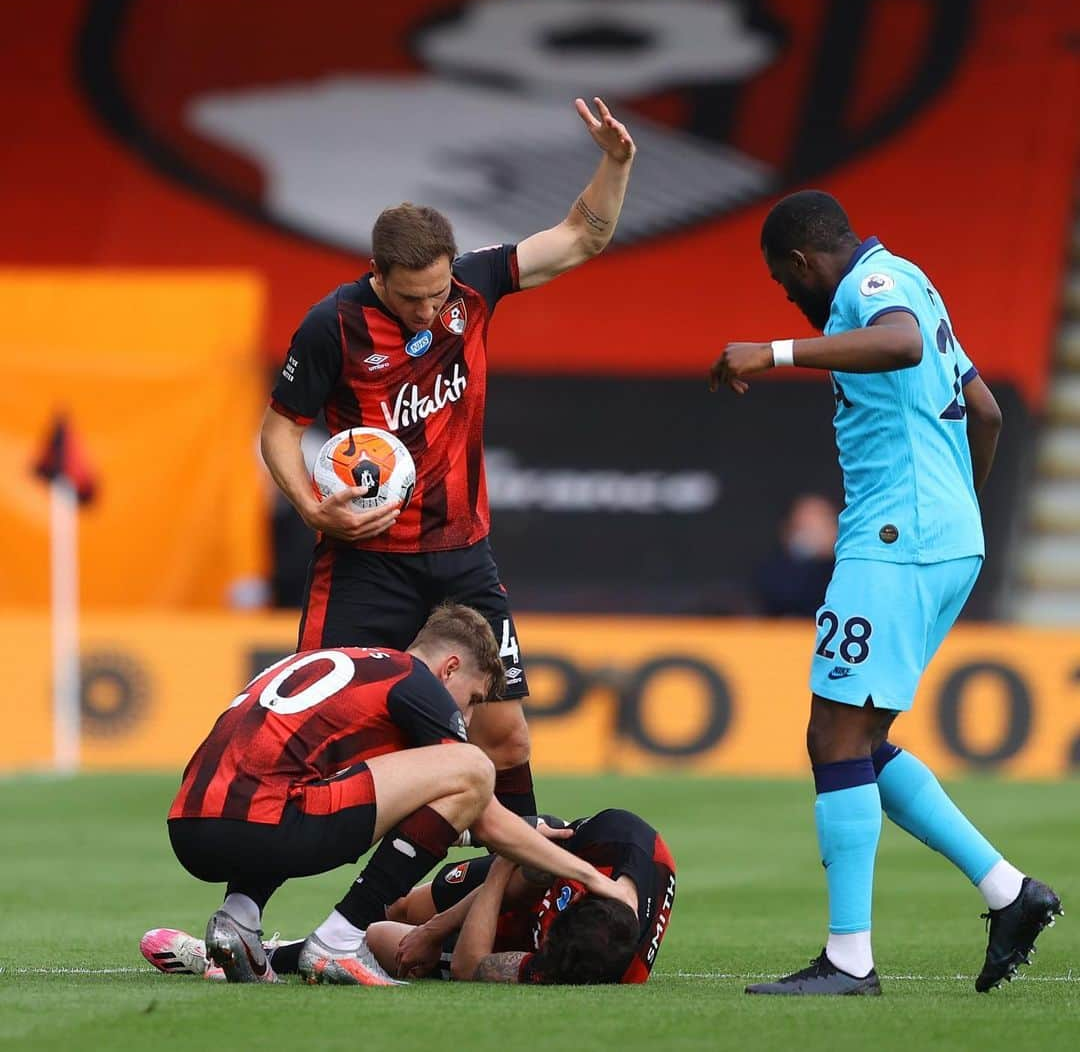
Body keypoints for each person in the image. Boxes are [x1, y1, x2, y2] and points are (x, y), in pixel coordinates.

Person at [709, 190, 1061, 996]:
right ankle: (1009, 892)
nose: (787, 297)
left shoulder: (869, 294)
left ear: (802, 262)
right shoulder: (914, 279)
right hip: (945, 541)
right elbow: (988, 410)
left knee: (833, 738)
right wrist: (959, 517)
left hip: (895, 540)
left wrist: (773, 352)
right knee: (859, 743)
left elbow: (901, 348)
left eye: (782, 281)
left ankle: (849, 960)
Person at [260, 97, 637, 819]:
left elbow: (580, 237)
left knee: (508, 740)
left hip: (464, 557)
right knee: (309, 736)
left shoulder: (475, 283)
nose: (429, 312)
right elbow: (278, 431)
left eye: (437, 295)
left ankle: (517, 882)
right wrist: (312, 508)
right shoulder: (330, 326)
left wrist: (615, 164)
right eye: (411, 300)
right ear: (376, 272)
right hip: (364, 561)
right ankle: (245, 907)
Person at [165, 603, 624, 985]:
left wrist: (506, 829)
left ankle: (240, 918)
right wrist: (591, 875)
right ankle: (340, 939)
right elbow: (479, 807)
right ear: (451, 668)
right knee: (473, 767)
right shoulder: (419, 683)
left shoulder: (353, 665)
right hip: (265, 826)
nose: (469, 712)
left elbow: (399, 805)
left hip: (190, 828)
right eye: (475, 698)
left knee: (295, 781)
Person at [143, 808, 676, 987]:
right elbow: (533, 852)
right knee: (402, 909)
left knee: (380, 938)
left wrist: (430, 943)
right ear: (577, 898)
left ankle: (241, 960)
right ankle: (305, 946)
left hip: (519, 895)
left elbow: (473, 966)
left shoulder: (590, 963)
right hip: (527, 870)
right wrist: (438, 925)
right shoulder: (618, 836)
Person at [755, 492, 839, 617]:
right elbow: (782, 597)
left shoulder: (848, 568)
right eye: (805, 527)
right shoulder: (773, 570)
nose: (813, 534)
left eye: (820, 526)